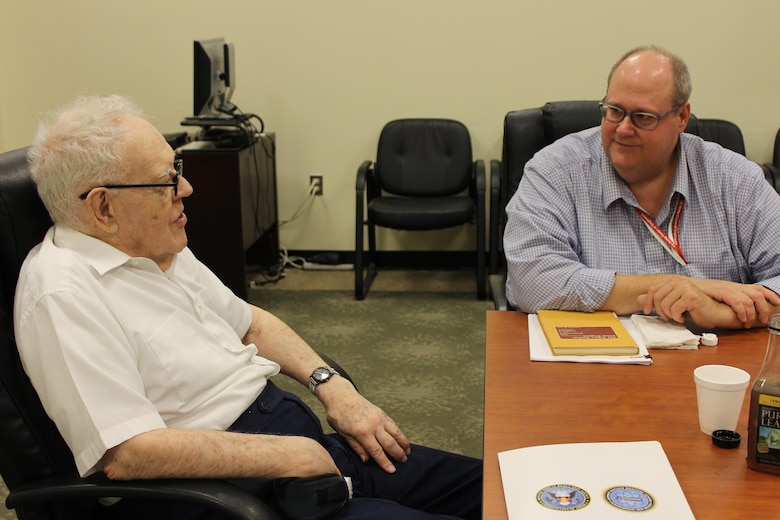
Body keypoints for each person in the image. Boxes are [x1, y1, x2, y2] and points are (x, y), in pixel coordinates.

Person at [13, 95, 482, 520]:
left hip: (296, 450)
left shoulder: (154, 243)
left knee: (498, 488)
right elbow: (128, 453)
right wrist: (289, 456)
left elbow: (251, 323)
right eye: (166, 181)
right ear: (103, 208)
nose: (187, 189)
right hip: (226, 496)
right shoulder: (62, 294)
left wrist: (333, 387)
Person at [504, 45, 780, 330]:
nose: (623, 129)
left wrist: (721, 313)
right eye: (614, 111)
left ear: (681, 118)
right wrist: (677, 287)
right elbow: (532, 281)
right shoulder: (555, 171)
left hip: (717, 363)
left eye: (643, 117)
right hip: (598, 362)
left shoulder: (735, 179)